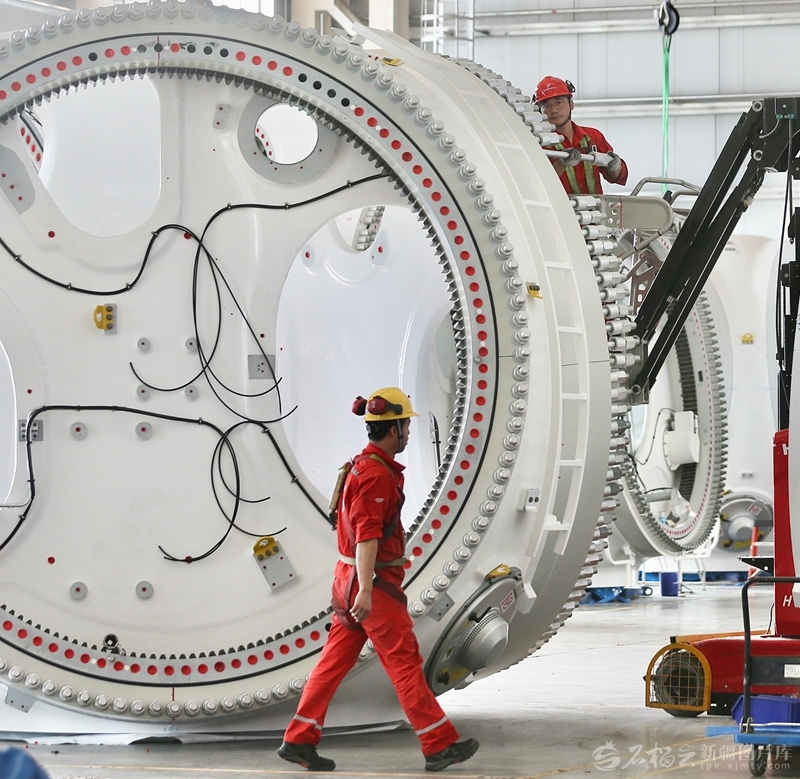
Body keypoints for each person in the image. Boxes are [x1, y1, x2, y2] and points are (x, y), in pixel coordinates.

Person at [277, 387, 479, 773]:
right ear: (394, 430)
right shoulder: (376, 475)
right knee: (403, 662)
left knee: (332, 664)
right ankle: (438, 744)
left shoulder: (360, 466)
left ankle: (298, 738)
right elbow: (367, 535)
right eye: (406, 427)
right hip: (372, 586)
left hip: (347, 580)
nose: (408, 433)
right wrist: (367, 590)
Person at [535, 76, 628, 195]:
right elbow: (538, 185)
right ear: (540, 111)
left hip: (596, 206)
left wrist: (615, 167)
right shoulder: (539, 144)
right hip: (561, 206)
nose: (554, 110)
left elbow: (615, 177)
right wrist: (561, 164)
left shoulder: (592, 136)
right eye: (546, 105)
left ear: (571, 104)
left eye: (559, 102)